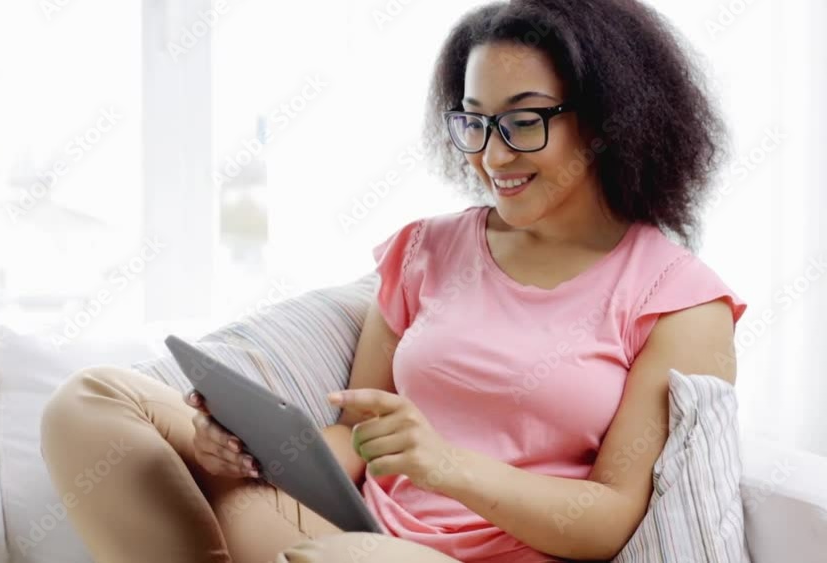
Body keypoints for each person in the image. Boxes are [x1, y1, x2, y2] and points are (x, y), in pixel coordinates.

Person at [39, 0, 747, 561]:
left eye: (523, 121)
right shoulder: (425, 250)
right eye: (473, 122)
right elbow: (355, 435)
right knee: (90, 401)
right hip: (350, 527)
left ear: (604, 123)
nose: (490, 153)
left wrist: (448, 465)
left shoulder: (679, 299)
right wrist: (237, 449)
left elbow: (610, 519)